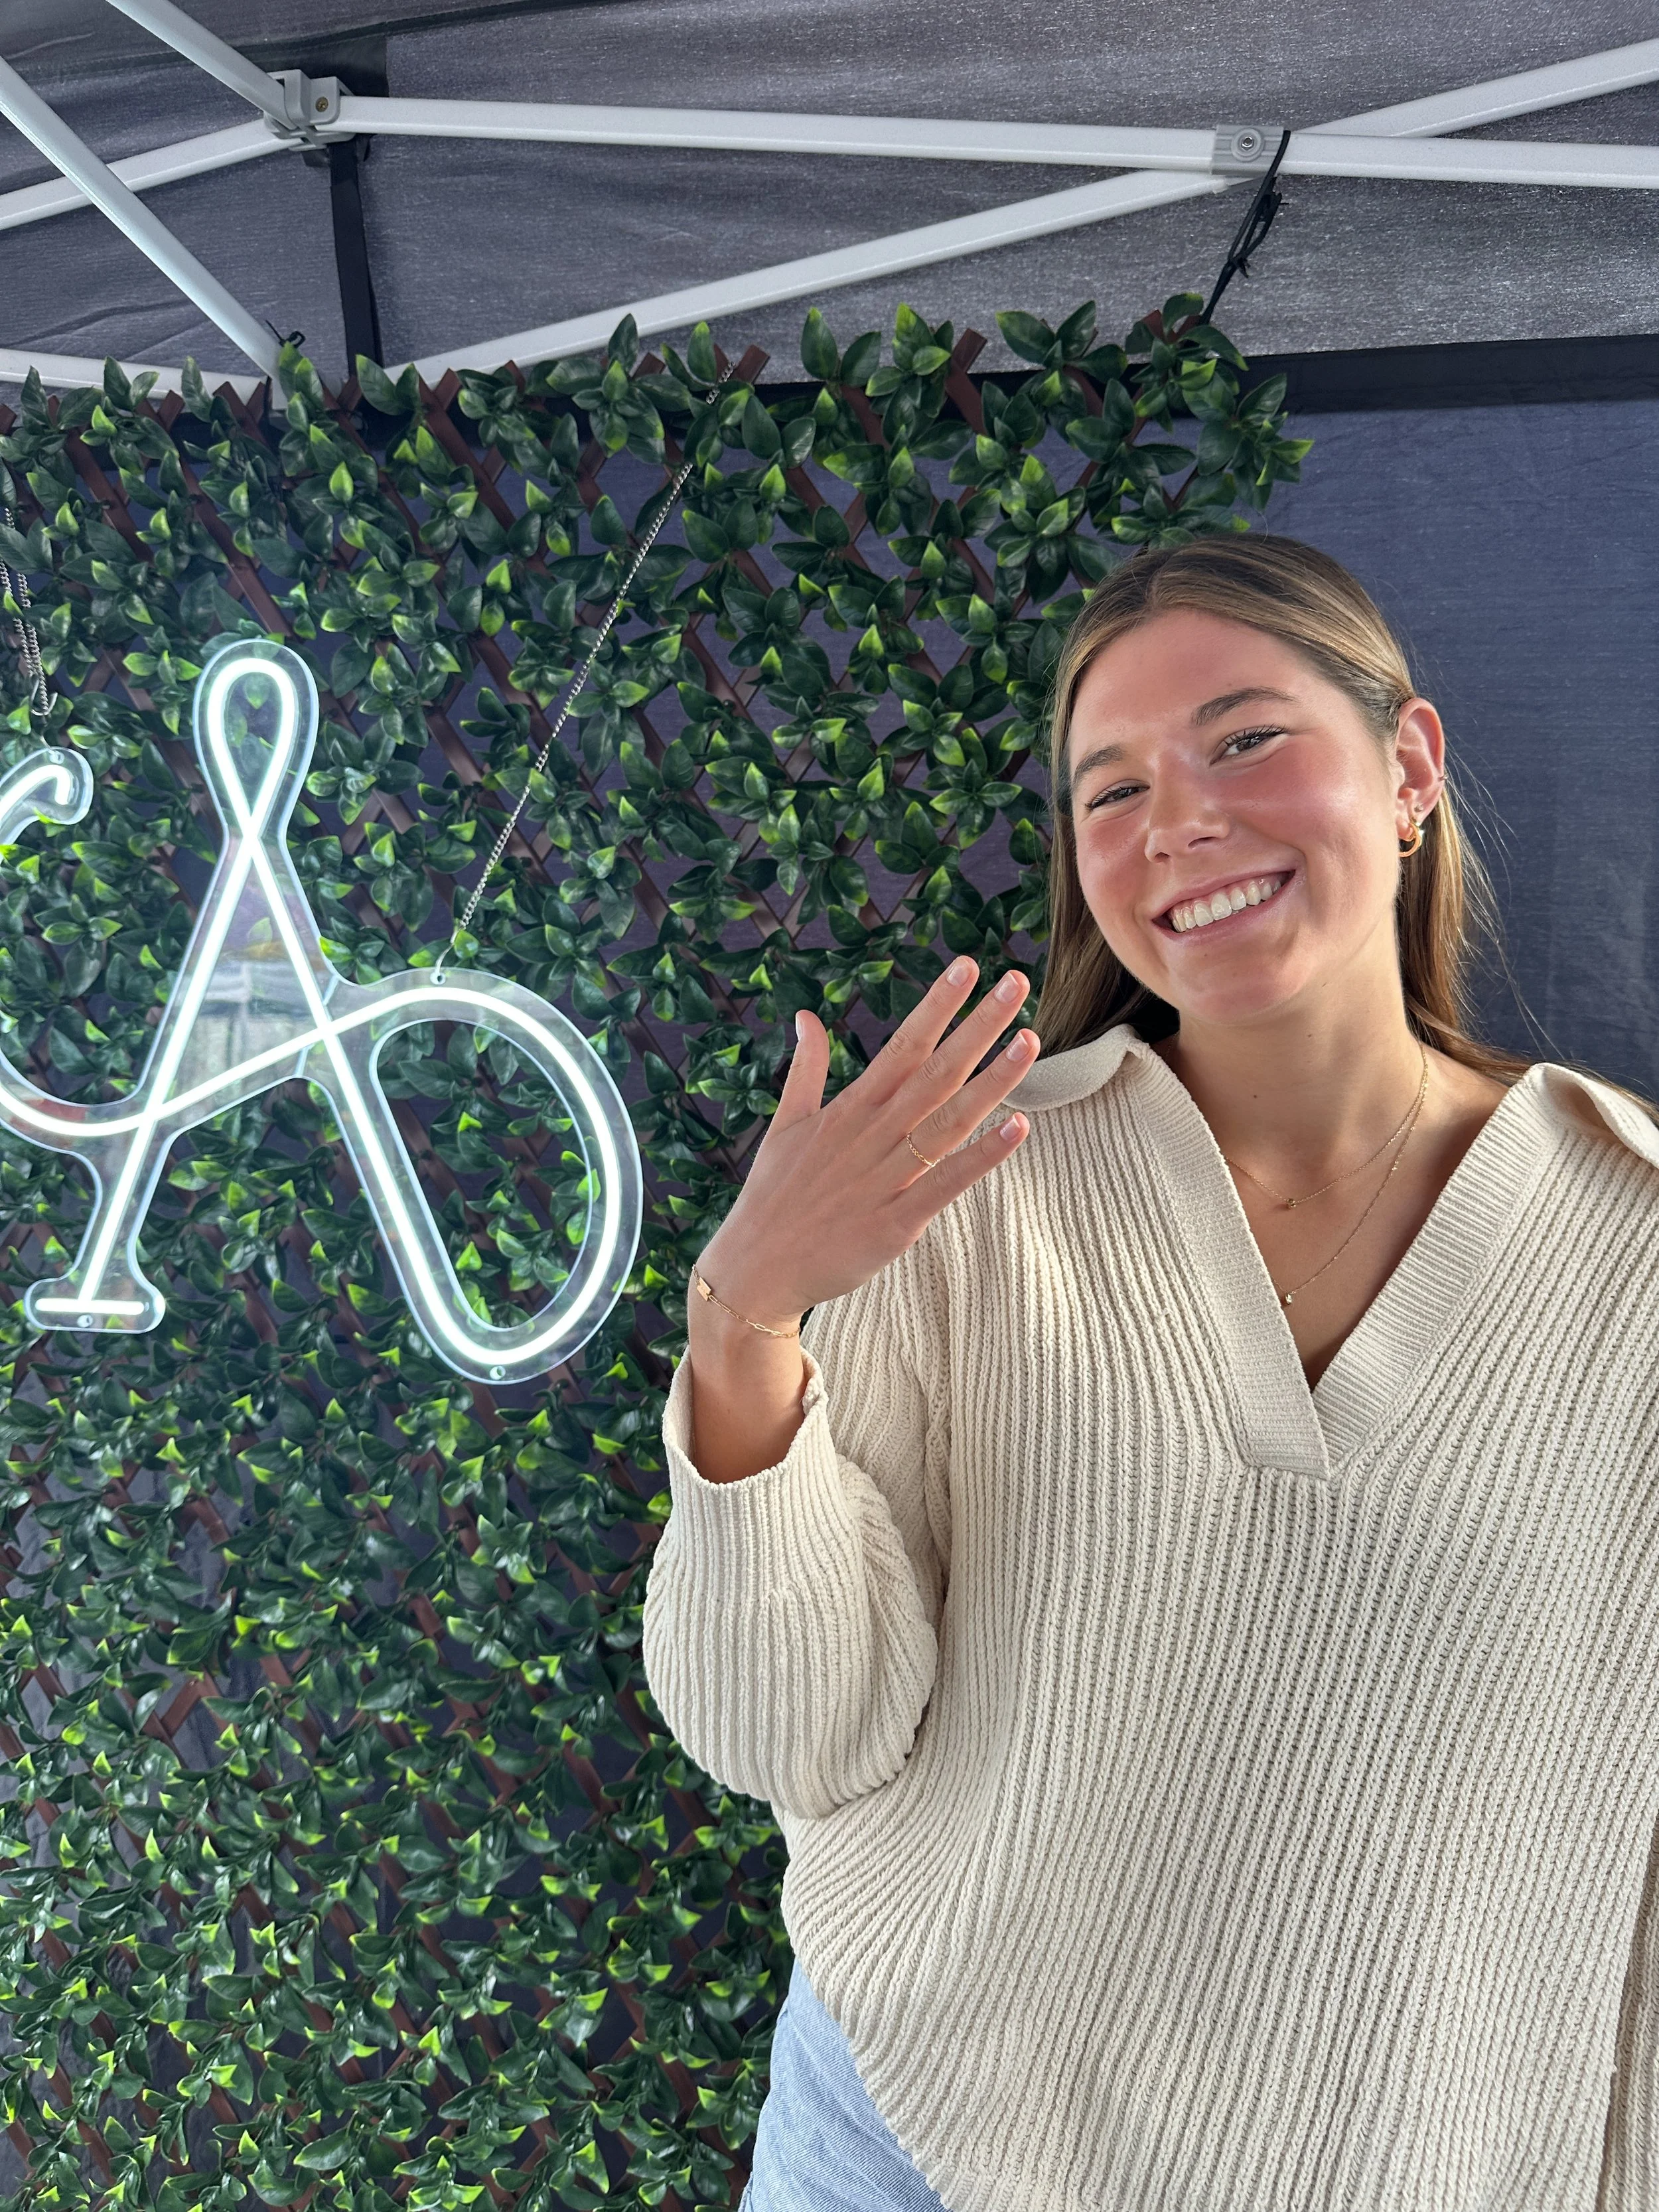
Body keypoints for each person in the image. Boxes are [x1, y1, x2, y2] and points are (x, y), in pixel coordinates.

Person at [641, 537, 1659, 2212]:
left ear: (1405, 767)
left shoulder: (1622, 1244)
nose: (1174, 820)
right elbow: (794, 1732)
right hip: (908, 2129)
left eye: (1244, 738)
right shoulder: (968, 1191)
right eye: (1107, 790)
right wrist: (743, 1325)